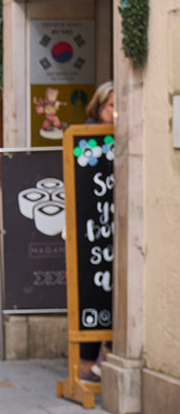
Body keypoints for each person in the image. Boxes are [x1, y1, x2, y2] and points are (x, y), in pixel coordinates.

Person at [80, 83, 114, 379]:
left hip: (113, 227)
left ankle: (111, 357)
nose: (115, 114)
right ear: (99, 107)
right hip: (92, 229)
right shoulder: (86, 139)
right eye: (111, 107)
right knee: (92, 289)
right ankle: (88, 363)